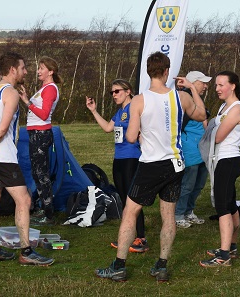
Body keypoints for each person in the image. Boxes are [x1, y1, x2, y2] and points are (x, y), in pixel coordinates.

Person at [95, 52, 206, 282]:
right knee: (168, 216)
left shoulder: (139, 100)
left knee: (130, 212)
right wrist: (192, 88)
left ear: (148, 72)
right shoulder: (181, 97)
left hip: (151, 165)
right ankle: (162, 265)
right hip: (175, 164)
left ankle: (119, 265)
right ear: (167, 72)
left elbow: (132, 137)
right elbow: (202, 113)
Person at [0, 52, 54, 266]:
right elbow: (2, 129)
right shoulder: (10, 93)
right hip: (3, 157)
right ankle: (27, 251)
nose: (26, 72)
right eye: (23, 68)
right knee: (25, 201)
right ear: (12, 70)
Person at [86, 79, 149, 253]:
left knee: (133, 199)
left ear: (128, 91)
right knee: (123, 197)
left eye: (117, 91)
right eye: (112, 92)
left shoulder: (135, 108)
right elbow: (108, 128)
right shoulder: (120, 111)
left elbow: (145, 130)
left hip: (132, 158)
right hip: (119, 158)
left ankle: (141, 238)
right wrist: (94, 111)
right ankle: (128, 235)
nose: (114, 95)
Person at [200, 71, 240, 267]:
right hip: (222, 160)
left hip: (228, 161)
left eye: (221, 85)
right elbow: (211, 129)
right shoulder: (223, 107)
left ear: (233, 86)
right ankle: (232, 246)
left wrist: (211, 127)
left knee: (222, 207)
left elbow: (217, 137)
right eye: (216, 85)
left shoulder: (236, 108)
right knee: (230, 203)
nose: (217, 89)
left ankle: (223, 255)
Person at [18, 56, 61, 226]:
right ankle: (44, 208)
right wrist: (27, 97)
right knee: (37, 173)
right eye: (38, 68)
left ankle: (49, 215)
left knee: (41, 174)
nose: (38, 71)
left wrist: (27, 102)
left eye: (42, 68)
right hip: (35, 133)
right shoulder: (43, 88)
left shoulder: (50, 88)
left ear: (51, 71)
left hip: (41, 134)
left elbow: (44, 114)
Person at [175, 71, 211, 228]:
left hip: (201, 149)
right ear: (193, 82)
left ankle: (189, 211)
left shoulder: (196, 97)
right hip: (189, 149)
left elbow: (204, 117)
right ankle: (178, 214)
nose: (206, 85)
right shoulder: (182, 97)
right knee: (188, 184)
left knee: (199, 183)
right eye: (202, 82)